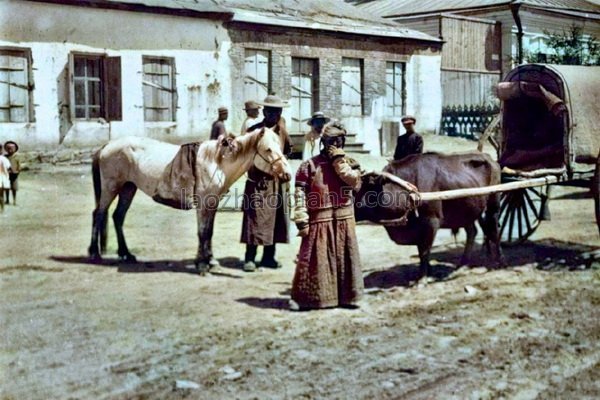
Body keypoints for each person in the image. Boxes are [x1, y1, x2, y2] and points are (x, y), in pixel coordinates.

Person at [290, 120, 364, 311]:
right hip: (319, 222)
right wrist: (301, 219)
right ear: (324, 141)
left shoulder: (350, 164)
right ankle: (307, 299)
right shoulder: (309, 166)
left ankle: (348, 297)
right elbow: (299, 195)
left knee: (345, 258)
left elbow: (355, 184)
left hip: (344, 219)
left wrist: (339, 162)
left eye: (339, 142)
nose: (335, 146)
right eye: (331, 141)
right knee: (315, 261)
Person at [241, 94, 293, 272]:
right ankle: (249, 258)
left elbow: (287, 151)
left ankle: (268, 257)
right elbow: (244, 155)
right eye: (272, 111)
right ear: (265, 111)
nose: (275, 114)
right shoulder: (254, 131)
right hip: (258, 182)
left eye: (278, 111)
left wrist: (281, 167)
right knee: (254, 219)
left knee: (275, 220)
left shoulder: (282, 132)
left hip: (276, 182)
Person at [4, 141, 20, 205]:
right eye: (8, 148)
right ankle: (7, 200)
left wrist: (17, 171)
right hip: (6, 175)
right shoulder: (5, 157)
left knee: (14, 188)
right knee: (7, 187)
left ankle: (14, 200)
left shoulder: (17, 157)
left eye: (12, 148)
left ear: (15, 149)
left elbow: (19, 166)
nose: (10, 150)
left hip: (14, 175)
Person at [0, 143, 11, 212]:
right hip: (2, 178)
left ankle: (2, 208)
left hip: (1, 178)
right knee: (1, 194)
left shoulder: (3, 159)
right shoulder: (4, 159)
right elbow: (9, 168)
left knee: (0, 194)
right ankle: (2, 209)